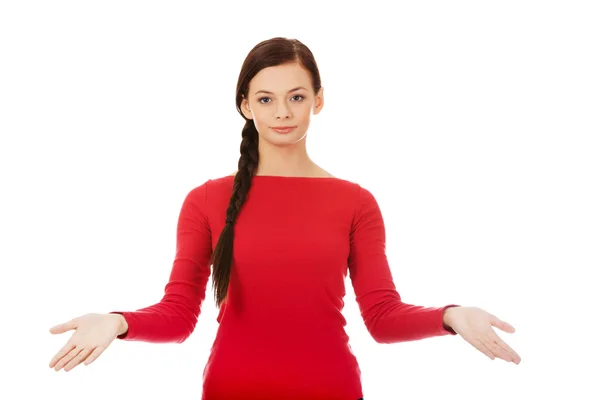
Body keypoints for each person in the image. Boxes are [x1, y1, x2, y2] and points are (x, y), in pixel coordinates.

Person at [48, 37, 521, 400]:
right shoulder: (206, 200)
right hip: (232, 390)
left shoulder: (355, 201)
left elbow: (382, 317)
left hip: (332, 389)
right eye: (266, 98)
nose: (282, 112)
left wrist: (449, 315)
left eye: (296, 97)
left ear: (318, 100)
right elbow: (177, 316)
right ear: (245, 105)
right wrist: (116, 321)